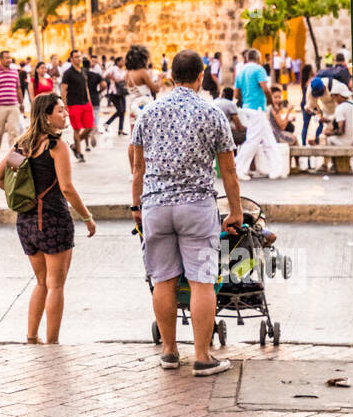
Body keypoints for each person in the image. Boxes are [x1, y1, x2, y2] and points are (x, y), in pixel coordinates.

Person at [131, 49, 243, 377]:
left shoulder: (149, 113)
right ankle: (202, 356)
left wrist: (137, 206)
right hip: (197, 207)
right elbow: (229, 171)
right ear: (200, 76)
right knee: (202, 282)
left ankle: (168, 351)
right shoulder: (212, 114)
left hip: (156, 205)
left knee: (162, 281)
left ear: (170, 77)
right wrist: (235, 211)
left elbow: (138, 167)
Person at [0, 92, 95, 344]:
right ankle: (52, 342)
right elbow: (67, 188)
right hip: (53, 221)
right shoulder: (56, 147)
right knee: (56, 284)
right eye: (60, 110)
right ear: (47, 116)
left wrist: (25, 194)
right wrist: (87, 218)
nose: (65, 114)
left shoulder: (23, 145)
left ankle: (31, 336)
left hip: (26, 222)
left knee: (40, 282)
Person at [0, 49, 23, 166]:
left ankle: (14, 158)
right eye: (6, 58)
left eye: (10, 58)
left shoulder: (15, 72)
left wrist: (21, 103)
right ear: (1, 59)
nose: (9, 60)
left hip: (13, 106)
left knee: (14, 132)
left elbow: (18, 88)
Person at [61, 49, 94, 161]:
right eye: (76, 57)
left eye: (79, 56)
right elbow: (64, 90)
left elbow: (86, 87)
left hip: (85, 103)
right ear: (71, 59)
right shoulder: (67, 73)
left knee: (90, 127)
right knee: (77, 129)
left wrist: (89, 101)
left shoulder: (83, 70)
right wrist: (64, 106)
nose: (78, 59)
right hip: (73, 104)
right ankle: (79, 153)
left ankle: (75, 144)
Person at [83, 55, 104, 145]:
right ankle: (94, 129)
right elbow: (104, 84)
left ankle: (88, 131)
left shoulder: (81, 76)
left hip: (84, 98)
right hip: (95, 96)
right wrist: (99, 91)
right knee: (95, 114)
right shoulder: (96, 75)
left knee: (86, 117)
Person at [104, 56, 128, 135]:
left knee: (123, 111)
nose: (123, 62)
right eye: (121, 61)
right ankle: (107, 123)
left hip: (122, 92)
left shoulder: (124, 71)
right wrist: (113, 78)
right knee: (120, 111)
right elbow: (104, 75)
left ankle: (120, 130)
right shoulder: (113, 68)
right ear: (117, 62)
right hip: (114, 92)